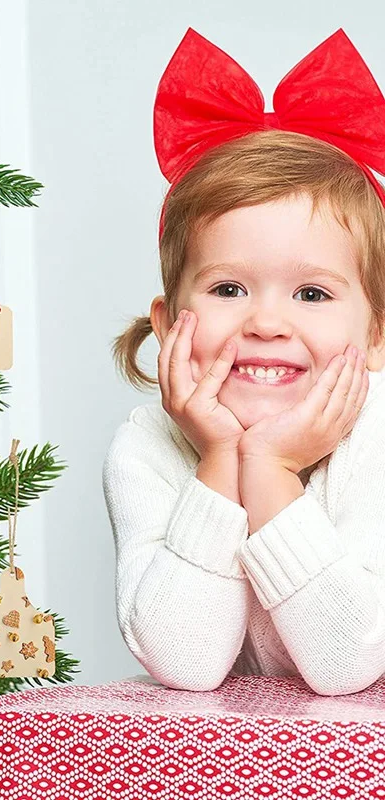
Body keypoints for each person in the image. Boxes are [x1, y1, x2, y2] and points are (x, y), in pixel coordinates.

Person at [103, 27, 385, 697]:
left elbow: (348, 663)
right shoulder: (146, 448)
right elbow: (186, 663)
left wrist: (272, 469)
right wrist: (222, 461)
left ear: (377, 334)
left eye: (312, 293)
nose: (264, 322)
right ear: (170, 323)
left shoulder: (376, 439)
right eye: (229, 289)